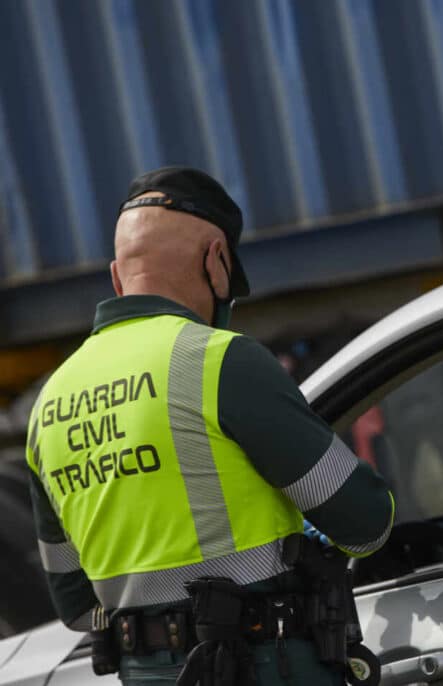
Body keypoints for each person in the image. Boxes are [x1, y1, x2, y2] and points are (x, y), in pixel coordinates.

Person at [25, 167, 394, 685]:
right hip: (265, 666)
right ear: (217, 261)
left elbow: (76, 604)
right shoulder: (219, 361)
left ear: (117, 275)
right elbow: (366, 522)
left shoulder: (50, 403)